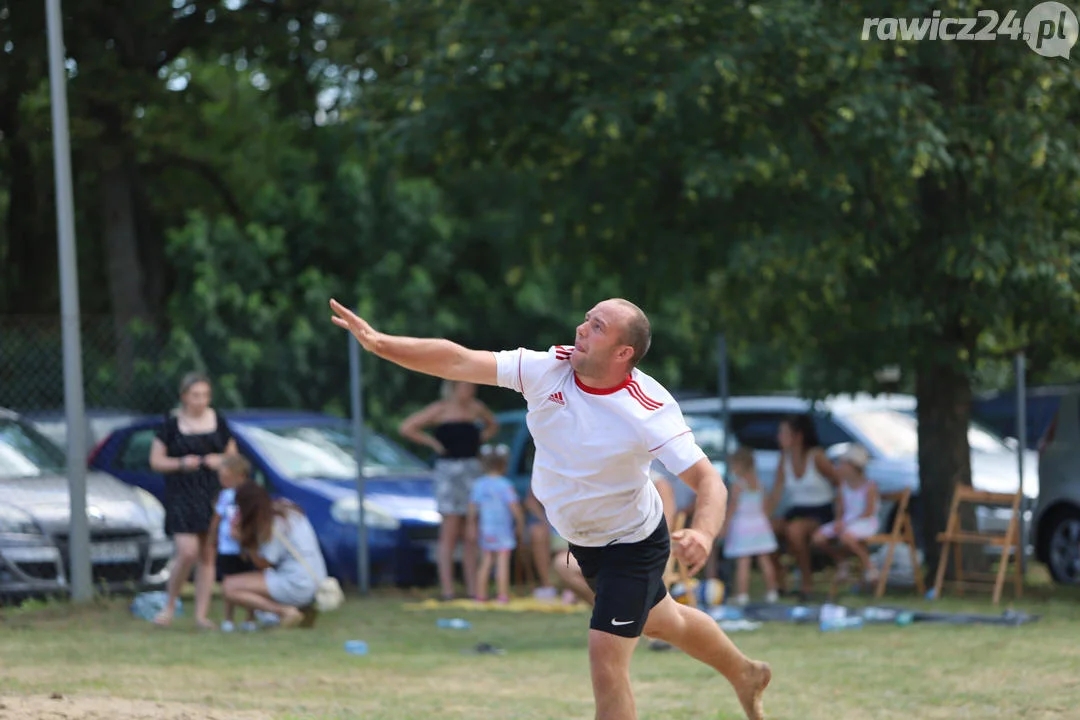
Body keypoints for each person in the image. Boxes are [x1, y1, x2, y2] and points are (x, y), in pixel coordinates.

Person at [330, 297, 770, 720]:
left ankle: (743, 674)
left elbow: (708, 480)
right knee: (663, 621)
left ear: (624, 352)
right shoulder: (548, 369)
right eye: (586, 318)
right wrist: (381, 343)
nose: (581, 328)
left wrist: (704, 533)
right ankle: (745, 673)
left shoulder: (646, 409)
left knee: (606, 661)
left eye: (597, 326)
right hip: (586, 541)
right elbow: (459, 361)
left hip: (632, 542)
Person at [148, 372, 237, 628]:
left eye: (205, 396)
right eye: (195, 395)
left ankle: (201, 615)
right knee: (187, 552)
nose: (200, 401)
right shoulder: (170, 426)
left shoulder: (218, 423)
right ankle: (169, 605)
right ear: (184, 396)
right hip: (181, 494)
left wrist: (218, 461)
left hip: (211, 495)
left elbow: (233, 459)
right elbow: (156, 461)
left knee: (207, 555)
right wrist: (181, 463)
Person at [399, 380, 499, 601]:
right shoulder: (440, 409)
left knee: (471, 532)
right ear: (454, 387)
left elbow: (493, 425)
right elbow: (407, 427)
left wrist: (479, 439)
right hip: (448, 473)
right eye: (466, 386)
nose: (470, 390)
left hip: (472, 471)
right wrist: (433, 444)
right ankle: (448, 589)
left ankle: (474, 588)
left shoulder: (476, 408)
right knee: (450, 530)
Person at [222, 482, 329, 629]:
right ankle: (303, 610)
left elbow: (263, 564)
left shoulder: (273, 524)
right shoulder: (287, 508)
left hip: (297, 583)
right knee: (254, 581)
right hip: (316, 577)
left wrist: (243, 540)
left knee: (230, 587)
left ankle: (284, 611)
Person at [767, 413, 840, 600]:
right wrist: (762, 518)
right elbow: (776, 492)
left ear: (798, 436)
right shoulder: (784, 459)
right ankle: (780, 580)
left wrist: (841, 517)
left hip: (821, 510)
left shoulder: (817, 457)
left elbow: (839, 484)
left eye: (783, 433)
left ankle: (806, 583)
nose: (779, 437)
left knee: (795, 531)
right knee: (767, 530)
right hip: (797, 511)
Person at [811, 444, 881, 584]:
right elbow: (840, 509)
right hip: (847, 522)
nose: (840, 467)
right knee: (818, 538)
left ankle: (869, 566)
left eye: (844, 464)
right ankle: (842, 561)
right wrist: (838, 521)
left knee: (846, 537)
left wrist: (846, 523)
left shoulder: (869, 486)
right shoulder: (843, 486)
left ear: (854, 467)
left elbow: (869, 512)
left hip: (865, 522)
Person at [720, 447, 779, 606]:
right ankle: (772, 592)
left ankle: (742, 594)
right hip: (759, 523)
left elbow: (732, 506)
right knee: (764, 560)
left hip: (743, 524)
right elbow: (765, 505)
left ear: (738, 465)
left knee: (743, 562)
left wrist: (725, 525)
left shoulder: (737, 484)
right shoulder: (759, 483)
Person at [468, 444, 525, 603]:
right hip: (503, 530)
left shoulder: (479, 484)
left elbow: (473, 508)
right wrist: (520, 523)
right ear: (504, 464)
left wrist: (471, 526)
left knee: (486, 560)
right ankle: (502, 595)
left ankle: (480, 595)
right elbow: (514, 507)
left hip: (486, 529)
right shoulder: (505, 485)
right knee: (502, 560)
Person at [208, 454, 259, 632]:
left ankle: (250, 618)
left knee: (249, 582)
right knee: (228, 583)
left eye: (226, 477)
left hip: (244, 547)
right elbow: (217, 518)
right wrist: (212, 539)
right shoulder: (224, 495)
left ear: (240, 476)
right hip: (227, 548)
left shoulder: (250, 495)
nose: (222, 481)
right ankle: (228, 619)